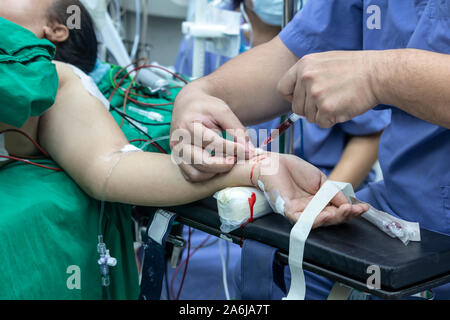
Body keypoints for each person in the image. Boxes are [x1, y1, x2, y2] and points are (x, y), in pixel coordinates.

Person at [0, 0, 369, 299]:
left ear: (57, 29)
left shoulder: (52, 81)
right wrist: (195, 99)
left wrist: (258, 168)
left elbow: (110, 165)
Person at [170, 0, 450, 299]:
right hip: (399, 214)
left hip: (425, 229)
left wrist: (380, 74)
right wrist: (200, 94)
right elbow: (295, 55)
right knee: (268, 277)